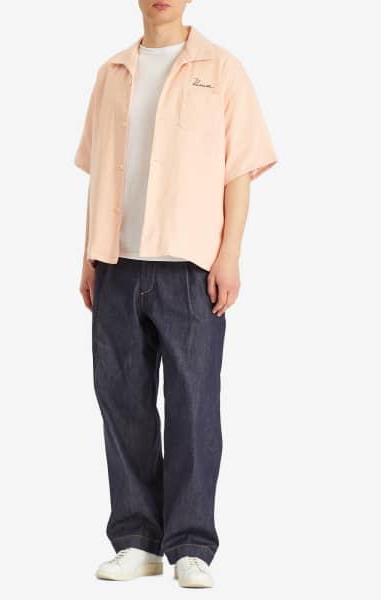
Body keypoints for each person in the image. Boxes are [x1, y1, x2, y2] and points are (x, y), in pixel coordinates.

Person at [74, 0, 277, 589]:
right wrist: (88, 254)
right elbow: (100, 171)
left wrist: (229, 255)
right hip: (116, 265)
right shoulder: (111, 73)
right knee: (123, 405)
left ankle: (190, 543)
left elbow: (238, 172)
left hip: (190, 268)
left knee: (193, 406)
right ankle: (137, 541)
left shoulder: (223, 69)